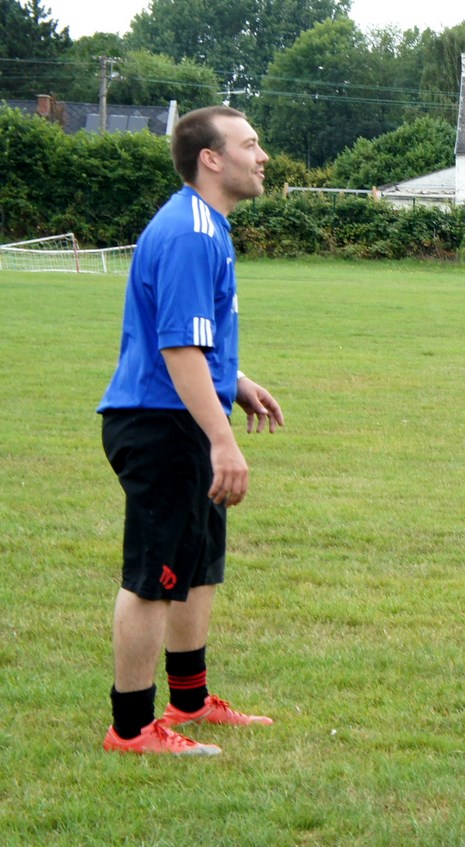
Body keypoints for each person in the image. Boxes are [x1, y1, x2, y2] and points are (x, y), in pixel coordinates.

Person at [98, 105, 284, 756]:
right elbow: (177, 349)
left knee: (195, 565)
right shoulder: (189, 232)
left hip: (180, 415)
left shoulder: (205, 225)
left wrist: (236, 380)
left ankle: (190, 700)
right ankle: (130, 729)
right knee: (156, 575)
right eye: (250, 144)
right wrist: (222, 439)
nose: (262, 157)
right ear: (212, 158)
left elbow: (190, 336)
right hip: (161, 423)